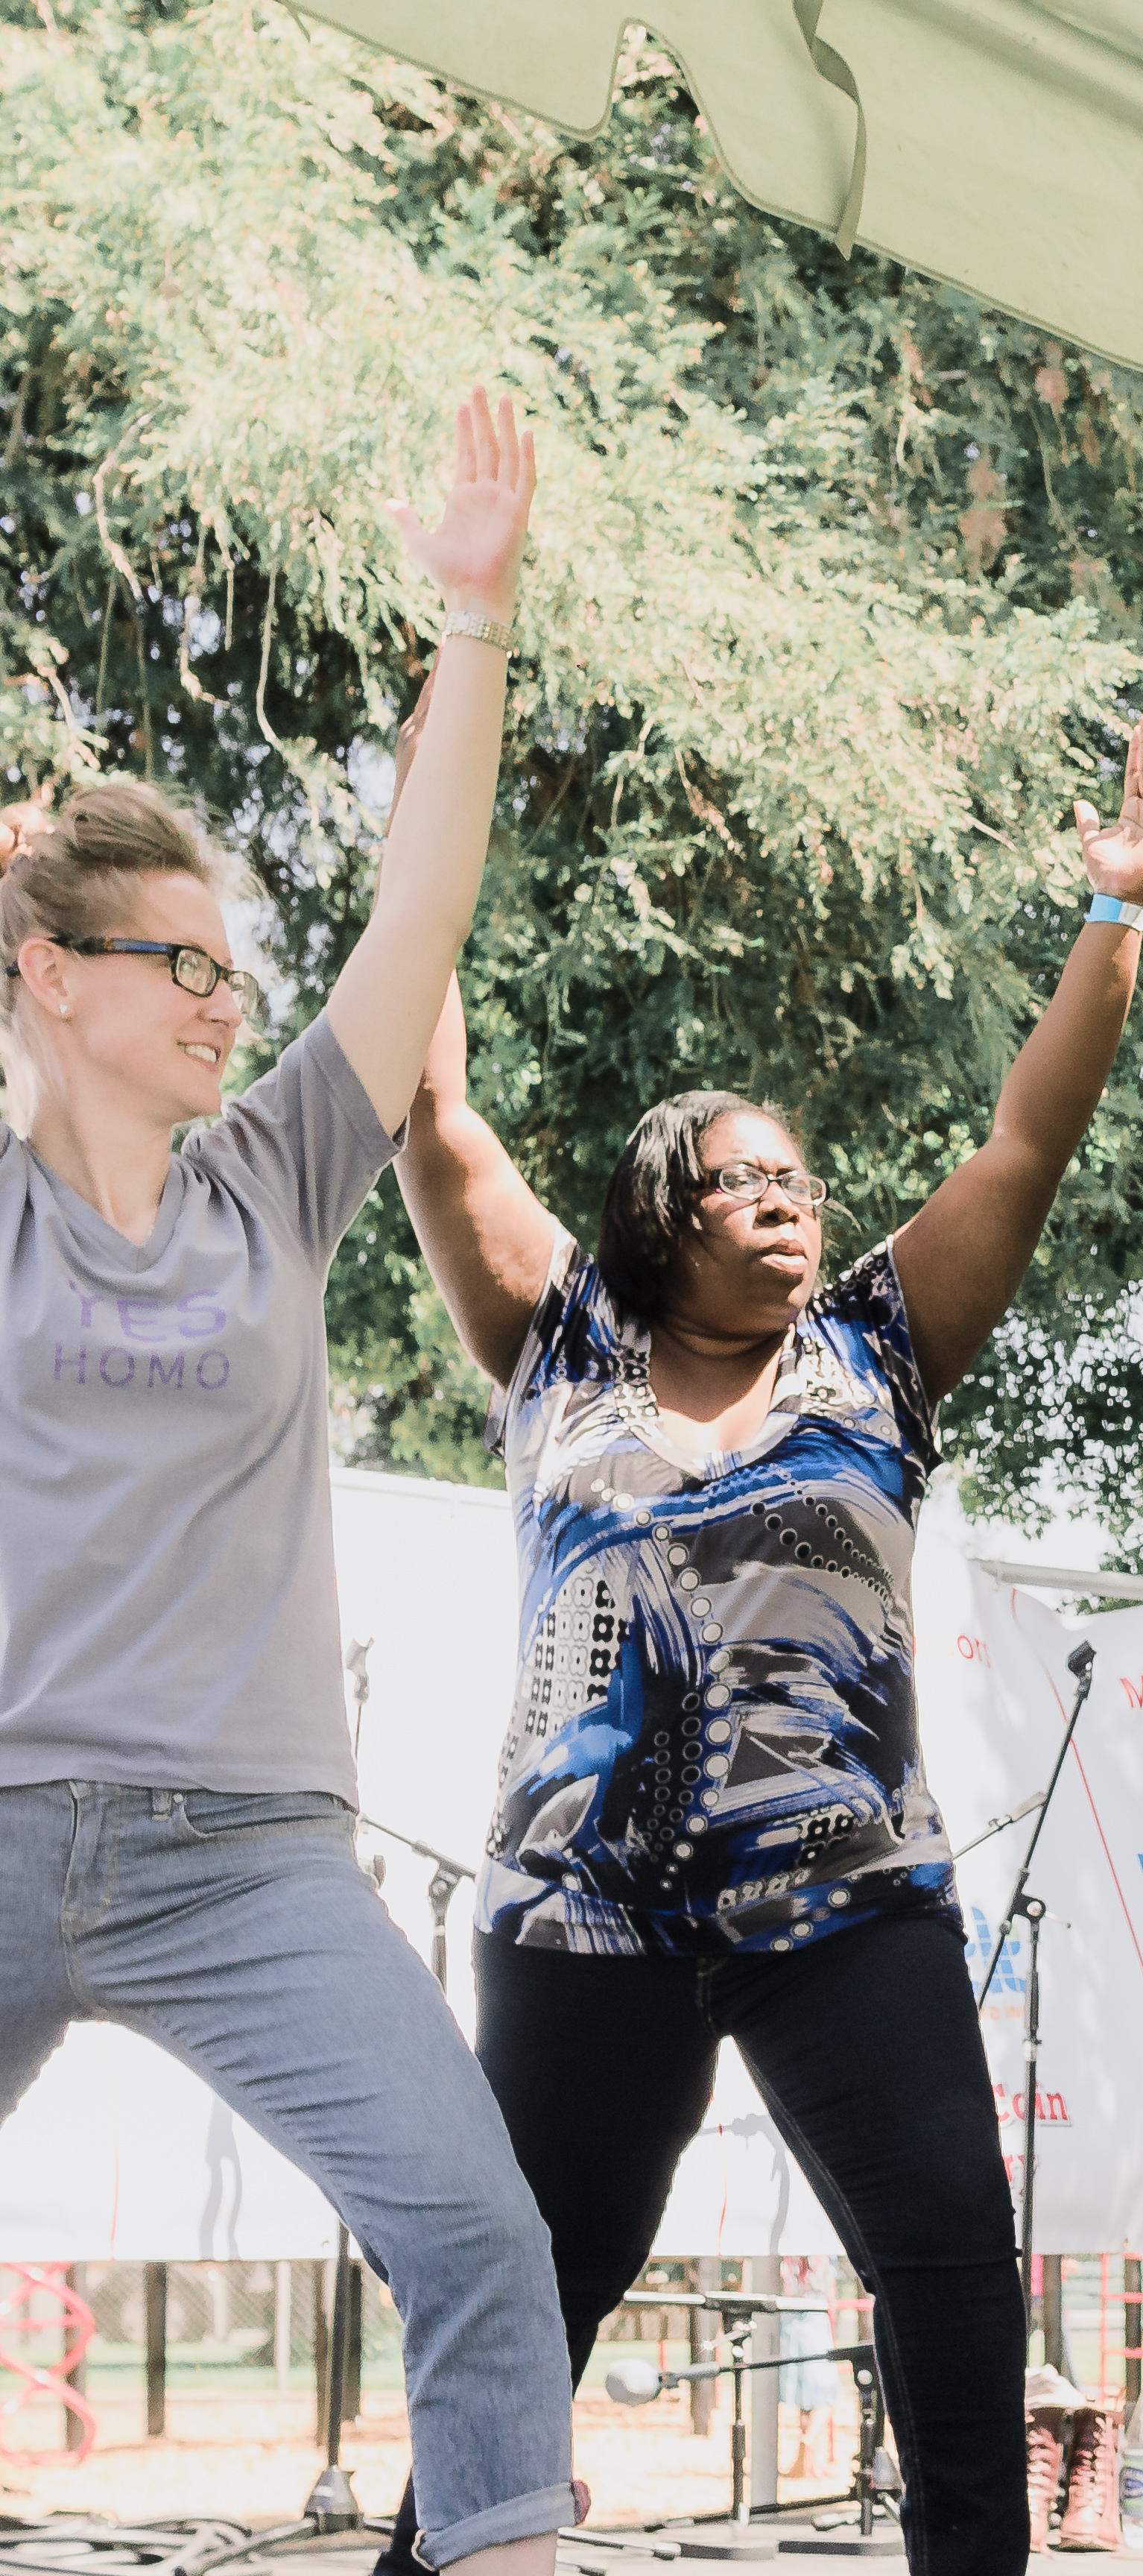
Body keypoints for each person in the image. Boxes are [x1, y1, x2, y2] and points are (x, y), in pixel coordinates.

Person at [376, 710, 1143, 2576]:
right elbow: (434, 1108)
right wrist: (429, 818)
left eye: (801, 1171)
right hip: (588, 1919)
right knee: (528, 2302)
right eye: (741, 1172)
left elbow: (1027, 1129)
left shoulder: (875, 1349)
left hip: (845, 1908)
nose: (787, 1188)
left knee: (951, 2277)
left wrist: (1110, 910)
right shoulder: (559, 1344)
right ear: (658, 1212)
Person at [0, 392, 563, 2576]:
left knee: (483, 2241)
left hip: (241, 1859)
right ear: (52, 980)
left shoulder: (279, 1174)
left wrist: (476, 621)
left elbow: (421, 898)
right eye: (180, 966)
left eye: (240, 967)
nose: (229, 999)